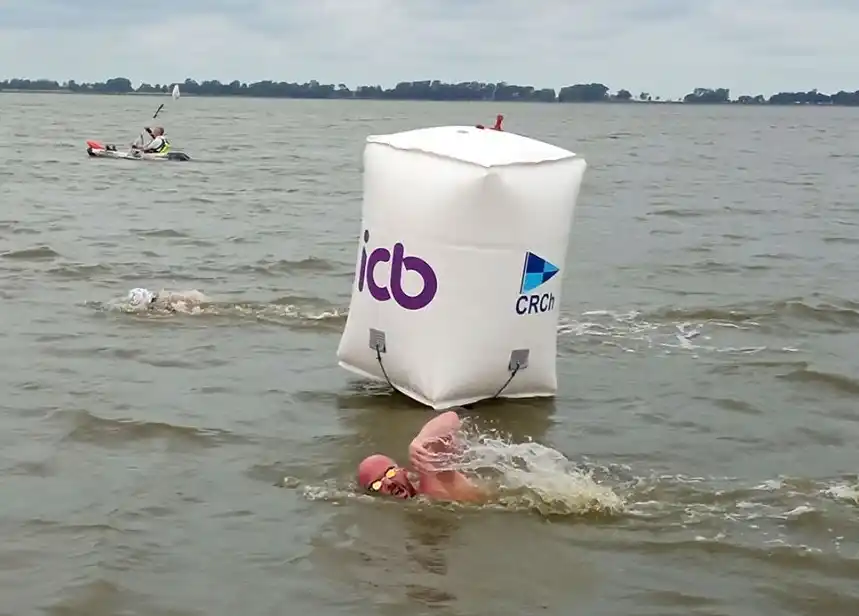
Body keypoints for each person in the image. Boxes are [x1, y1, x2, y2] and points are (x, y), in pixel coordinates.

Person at [356, 409, 487, 503]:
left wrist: (421, 439)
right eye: (377, 484)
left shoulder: (432, 475)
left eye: (389, 473)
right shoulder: (419, 503)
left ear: (403, 470)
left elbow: (451, 418)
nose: (388, 483)